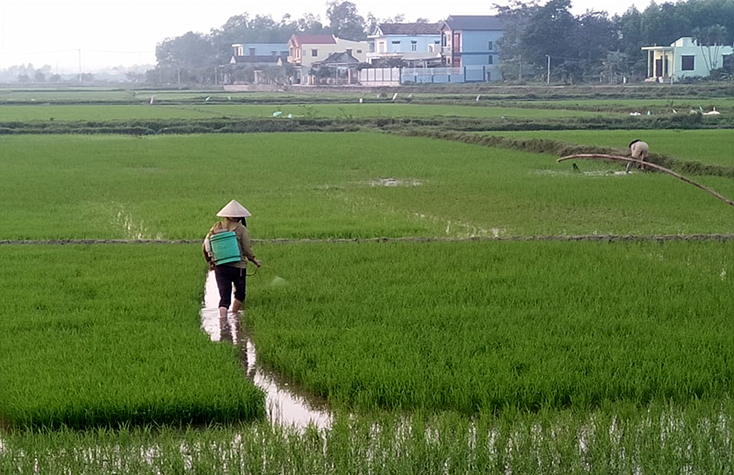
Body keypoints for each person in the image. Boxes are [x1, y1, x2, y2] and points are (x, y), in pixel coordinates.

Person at [203, 199, 261, 319]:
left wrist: (210, 261)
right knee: (240, 294)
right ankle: (234, 314)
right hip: (238, 267)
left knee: (224, 297)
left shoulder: (216, 227)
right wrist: (254, 260)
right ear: (239, 217)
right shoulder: (241, 229)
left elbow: (205, 245)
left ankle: (223, 322)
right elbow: (246, 248)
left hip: (220, 266)